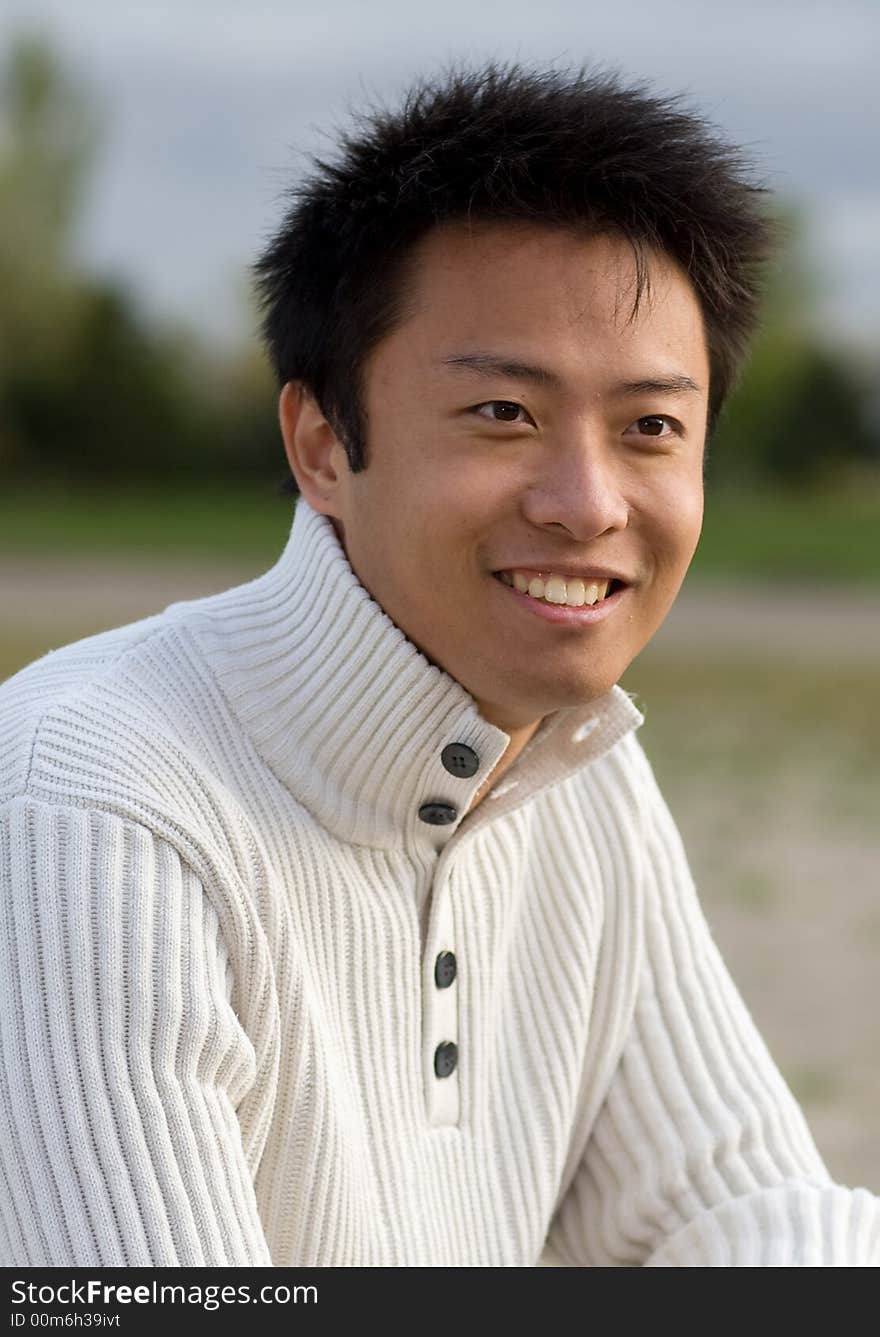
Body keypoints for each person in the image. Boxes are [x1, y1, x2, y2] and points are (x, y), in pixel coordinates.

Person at [1, 60, 877, 1269]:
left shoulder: (576, 774)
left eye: (651, 427)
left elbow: (731, 1212)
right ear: (320, 444)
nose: (587, 502)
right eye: (504, 413)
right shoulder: (89, 804)